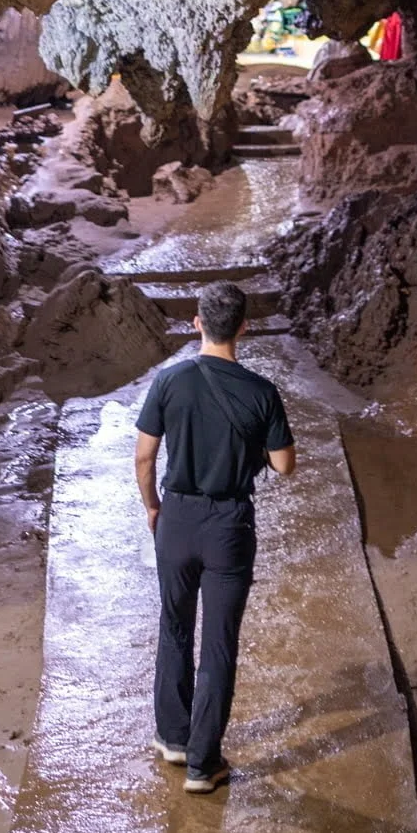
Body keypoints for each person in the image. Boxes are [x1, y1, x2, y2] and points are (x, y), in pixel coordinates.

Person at [134, 281, 296, 793]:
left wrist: (153, 507)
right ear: (244, 328)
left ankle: (173, 738)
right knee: (220, 643)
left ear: (197, 322)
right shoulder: (260, 391)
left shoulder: (169, 381)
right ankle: (204, 766)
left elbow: (143, 457)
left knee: (175, 626)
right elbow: (285, 466)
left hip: (177, 519)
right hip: (229, 526)